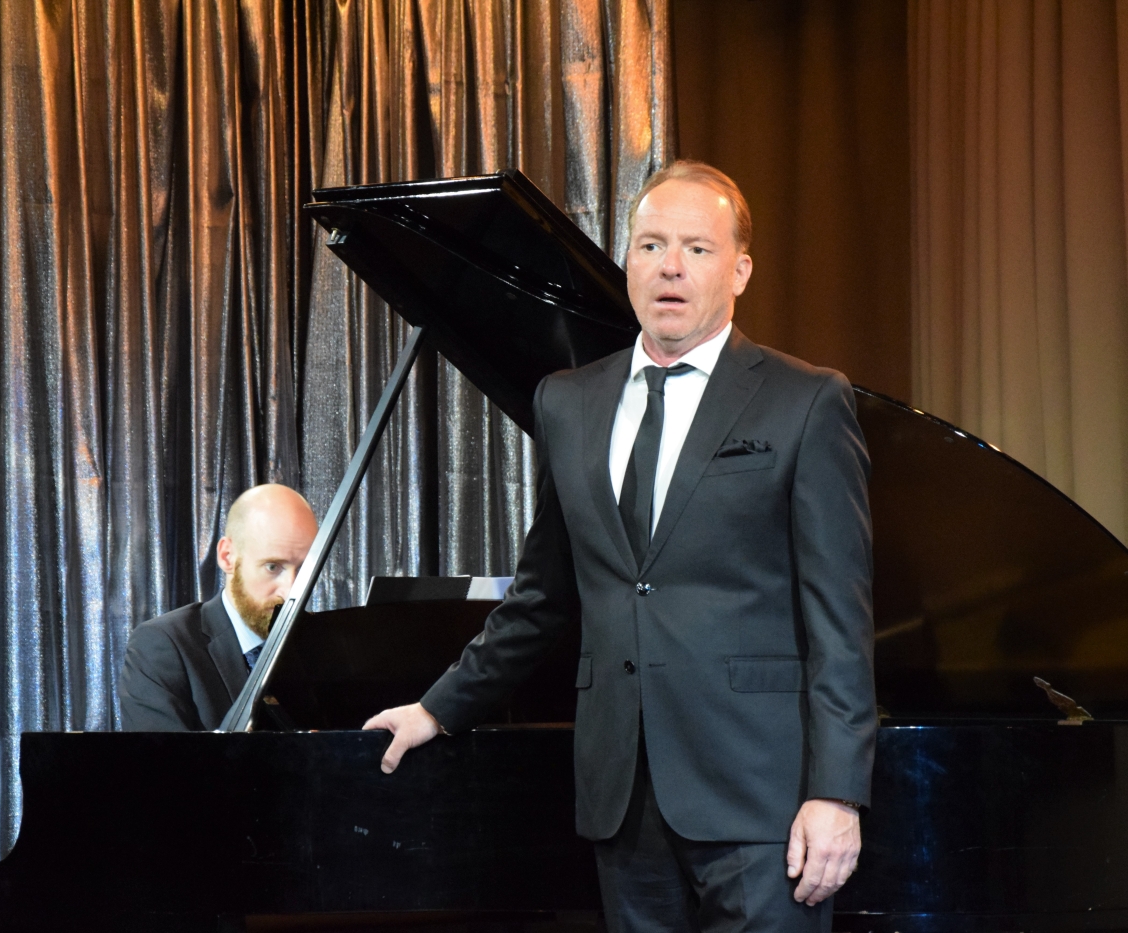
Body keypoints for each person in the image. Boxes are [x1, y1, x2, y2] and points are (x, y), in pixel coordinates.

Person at [364, 161, 875, 933]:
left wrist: (836, 793)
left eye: (698, 249)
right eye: (650, 245)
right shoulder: (568, 401)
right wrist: (440, 707)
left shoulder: (806, 400)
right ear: (627, 260)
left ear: (740, 269)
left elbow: (842, 621)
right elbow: (542, 597)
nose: (671, 266)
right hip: (621, 798)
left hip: (762, 801)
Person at [120, 483, 318, 731]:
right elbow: (161, 765)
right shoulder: (163, 646)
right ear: (227, 557)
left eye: (303, 570)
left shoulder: (323, 643)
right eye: (272, 567)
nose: (290, 591)